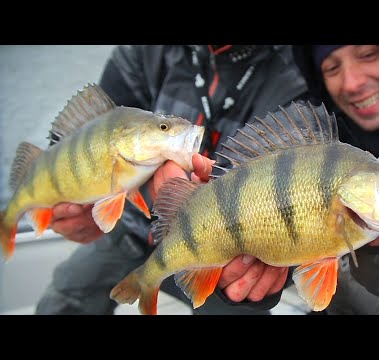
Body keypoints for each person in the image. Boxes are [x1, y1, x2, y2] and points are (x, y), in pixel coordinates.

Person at [198, 45, 379, 315]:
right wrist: (254, 281)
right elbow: (290, 239)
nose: (352, 82)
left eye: (368, 54)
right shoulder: (306, 146)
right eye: (332, 68)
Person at [35, 45, 308, 315]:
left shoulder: (302, 69)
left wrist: (271, 275)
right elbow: (92, 130)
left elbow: (303, 193)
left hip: (220, 244)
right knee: (62, 299)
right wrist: (77, 195)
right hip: (133, 226)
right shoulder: (145, 51)